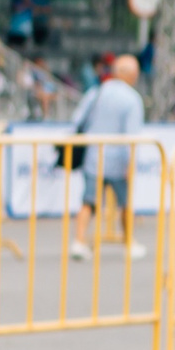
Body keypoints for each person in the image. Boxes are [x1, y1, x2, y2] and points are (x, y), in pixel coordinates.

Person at [69, 53, 146, 261]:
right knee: (126, 203)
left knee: (88, 201)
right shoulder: (132, 99)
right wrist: (131, 163)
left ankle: (79, 240)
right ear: (131, 75)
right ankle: (128, 242)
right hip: (119, 159)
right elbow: (132, 135)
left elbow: (77, 119)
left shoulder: (96, 92)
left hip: (94, 156)